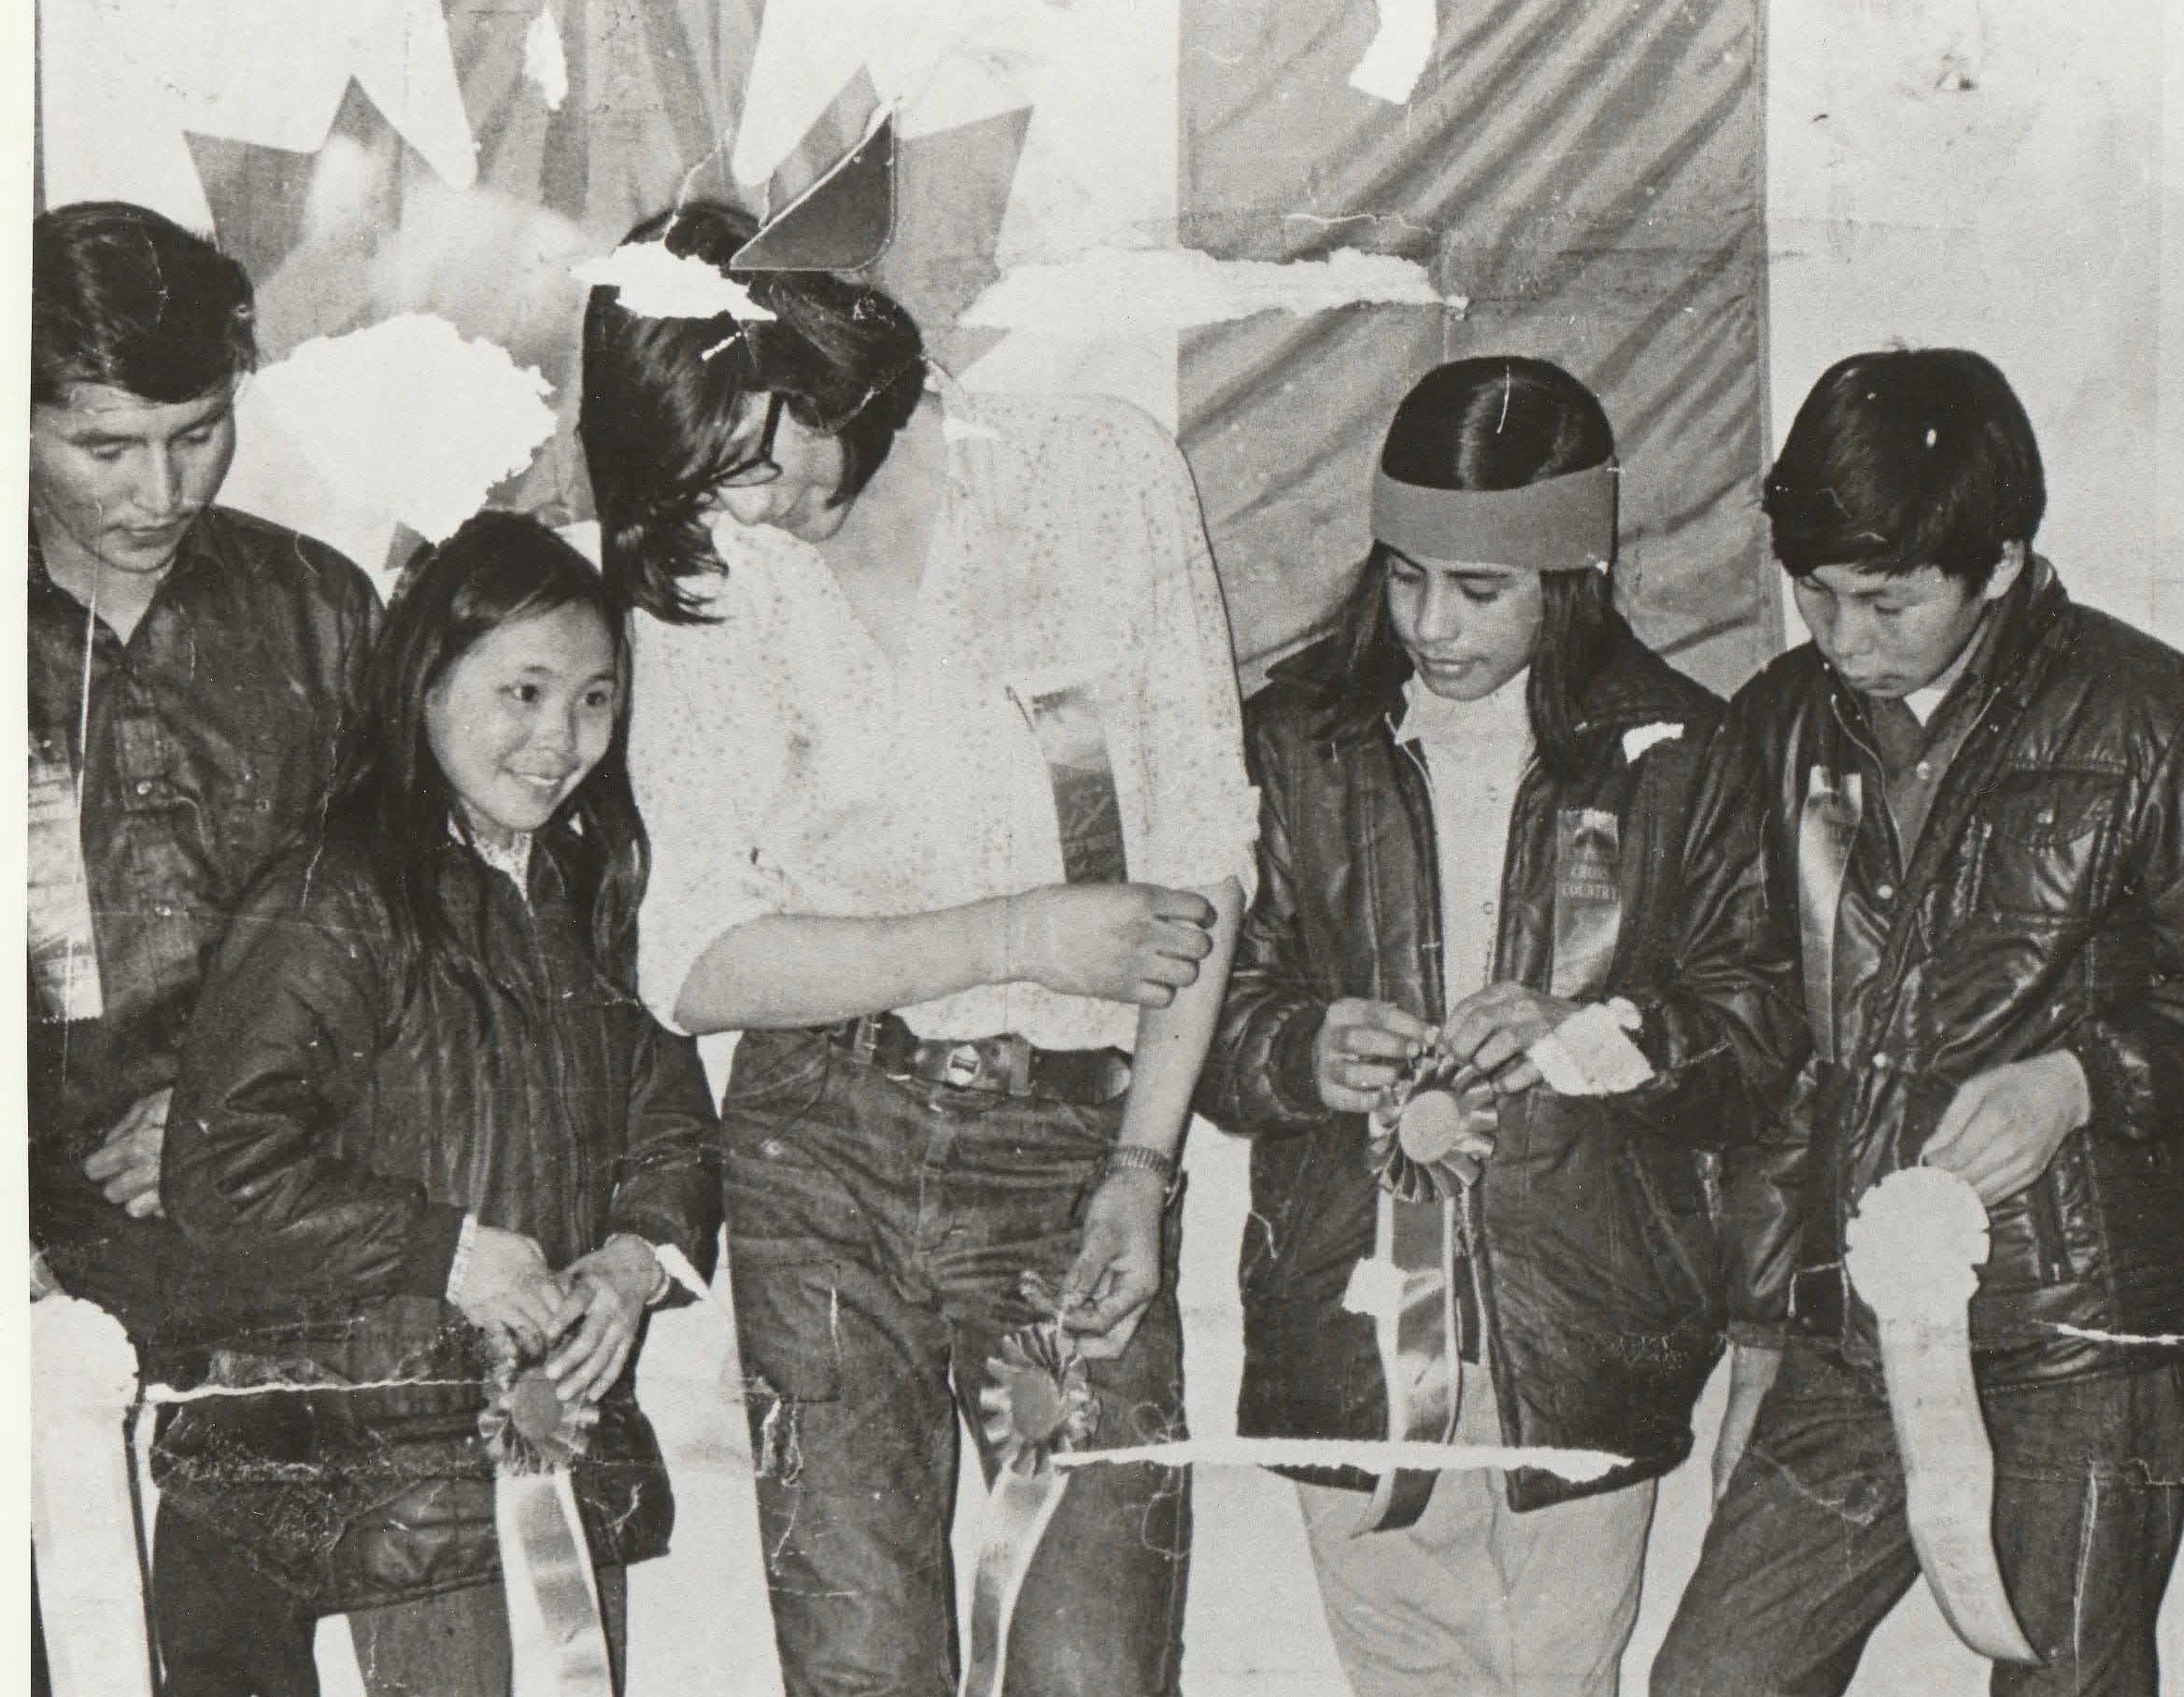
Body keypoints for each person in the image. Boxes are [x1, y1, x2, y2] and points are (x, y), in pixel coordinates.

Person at [579, 199, 1257, 1697]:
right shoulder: (706, 562)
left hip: (1072, 1148)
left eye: (756, 451)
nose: (750, 507)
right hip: (818, 1148)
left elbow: (1203, 849)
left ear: (816, 346)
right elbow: (691, 961)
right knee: (858, 1674)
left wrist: (1144, 1167)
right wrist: (1013, 934)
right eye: (703, 483)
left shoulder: (1094, 472)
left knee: (1092, 1669)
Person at [1198, 358, 1790, 1697]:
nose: (1430, 624)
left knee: (1564, 1675)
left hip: (1586, 1331)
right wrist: (1298, 1049)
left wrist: (1587, 1034)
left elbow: (1755, 1035)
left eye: (1479, 589)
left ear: (1569, 579)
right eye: (1404, 577)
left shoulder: (1683, 752)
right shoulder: (1291, 740)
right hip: (1348, 1322)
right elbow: (1205, 1015)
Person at [1651, 348, 2184, 1697]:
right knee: (1713, 1681)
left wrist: (2082, 1077)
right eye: (1813, 592)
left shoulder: (2149, 714)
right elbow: (1773, 1055)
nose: (1842, 637)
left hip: (2081, 1334)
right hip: (1845, 1326)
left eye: (1887, 601)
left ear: (1998, 562)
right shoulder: (1775, 724)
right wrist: (1761, 1334)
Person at [156, 513, 722, 1696]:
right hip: (398, 1467)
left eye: (595, 700)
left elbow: (668, 1103)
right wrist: (445, 1248)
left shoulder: (591, 883)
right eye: (523, 691)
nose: (560, 738)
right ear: (425, 683)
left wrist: (635, 1258)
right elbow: (222, 1170)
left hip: (557, 1437)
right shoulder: (336, 893)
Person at [25, 200, 382, 1690]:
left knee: (238, 1651)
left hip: (269, 1234)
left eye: (198, 434)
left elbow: (410, 936)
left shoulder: (320, 613)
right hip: (28, 1248)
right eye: (103, 448)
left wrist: (223, 1115)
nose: (158, 490)